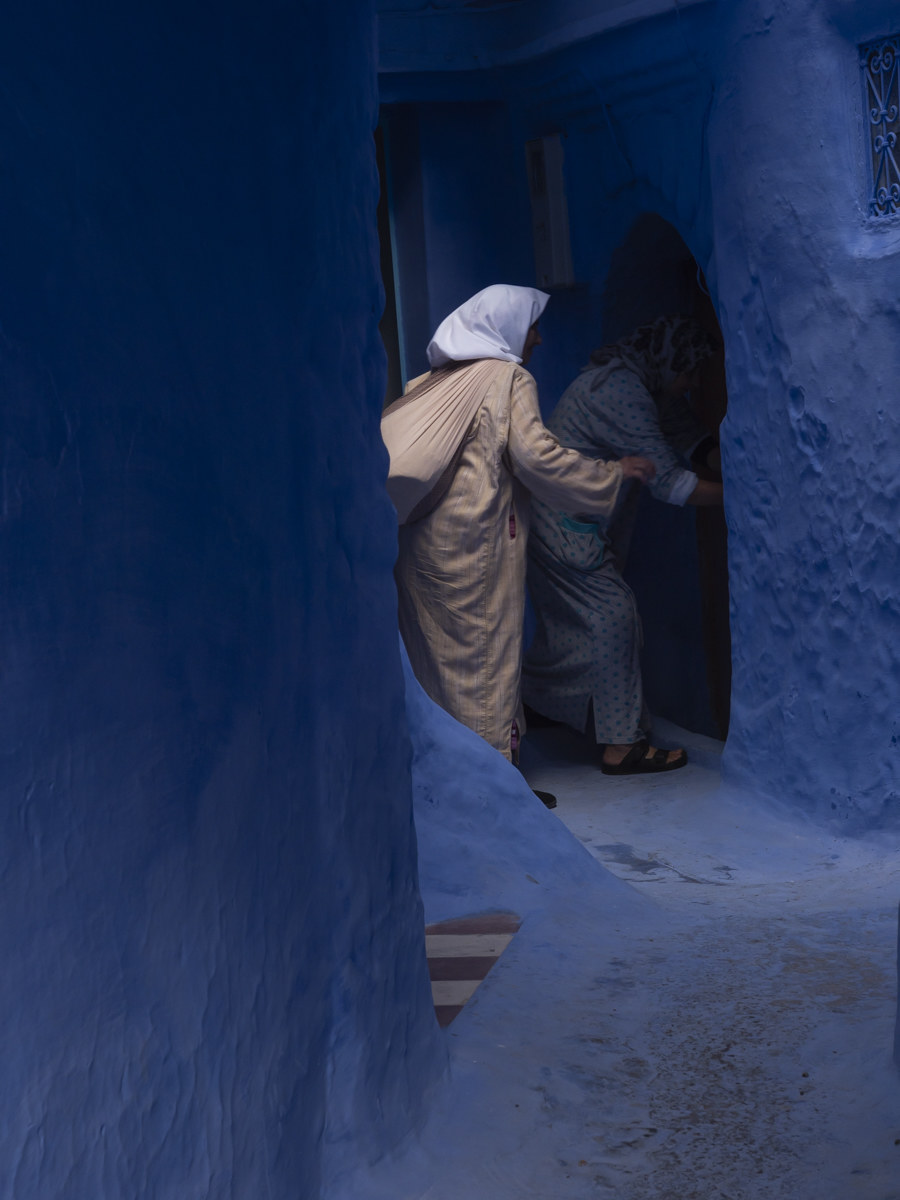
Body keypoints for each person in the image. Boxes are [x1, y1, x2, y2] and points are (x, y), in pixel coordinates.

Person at [381, 285, 655, 797]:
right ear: (506, 328)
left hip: (423, 546)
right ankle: (494, 794)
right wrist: (611, 475)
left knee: (438, 666)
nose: (538, 338)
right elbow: (538, 459)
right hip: (471, 549)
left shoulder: (435, 381)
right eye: (532, 325)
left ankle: (451, 783)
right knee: (482, 666)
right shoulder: (506, 378)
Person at [522, 316, 722, 775]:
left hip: (570, 519)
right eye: (689, 373)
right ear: (670, 361)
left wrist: (729, 460)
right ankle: (622, 745)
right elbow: (670, 483)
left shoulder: (648, 383)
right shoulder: (621, 391)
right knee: (613, 616)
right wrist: (742, 497)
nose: (691, 385)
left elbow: (691, 441)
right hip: (560, 521)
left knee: (568, 626)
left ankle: (538, 703)